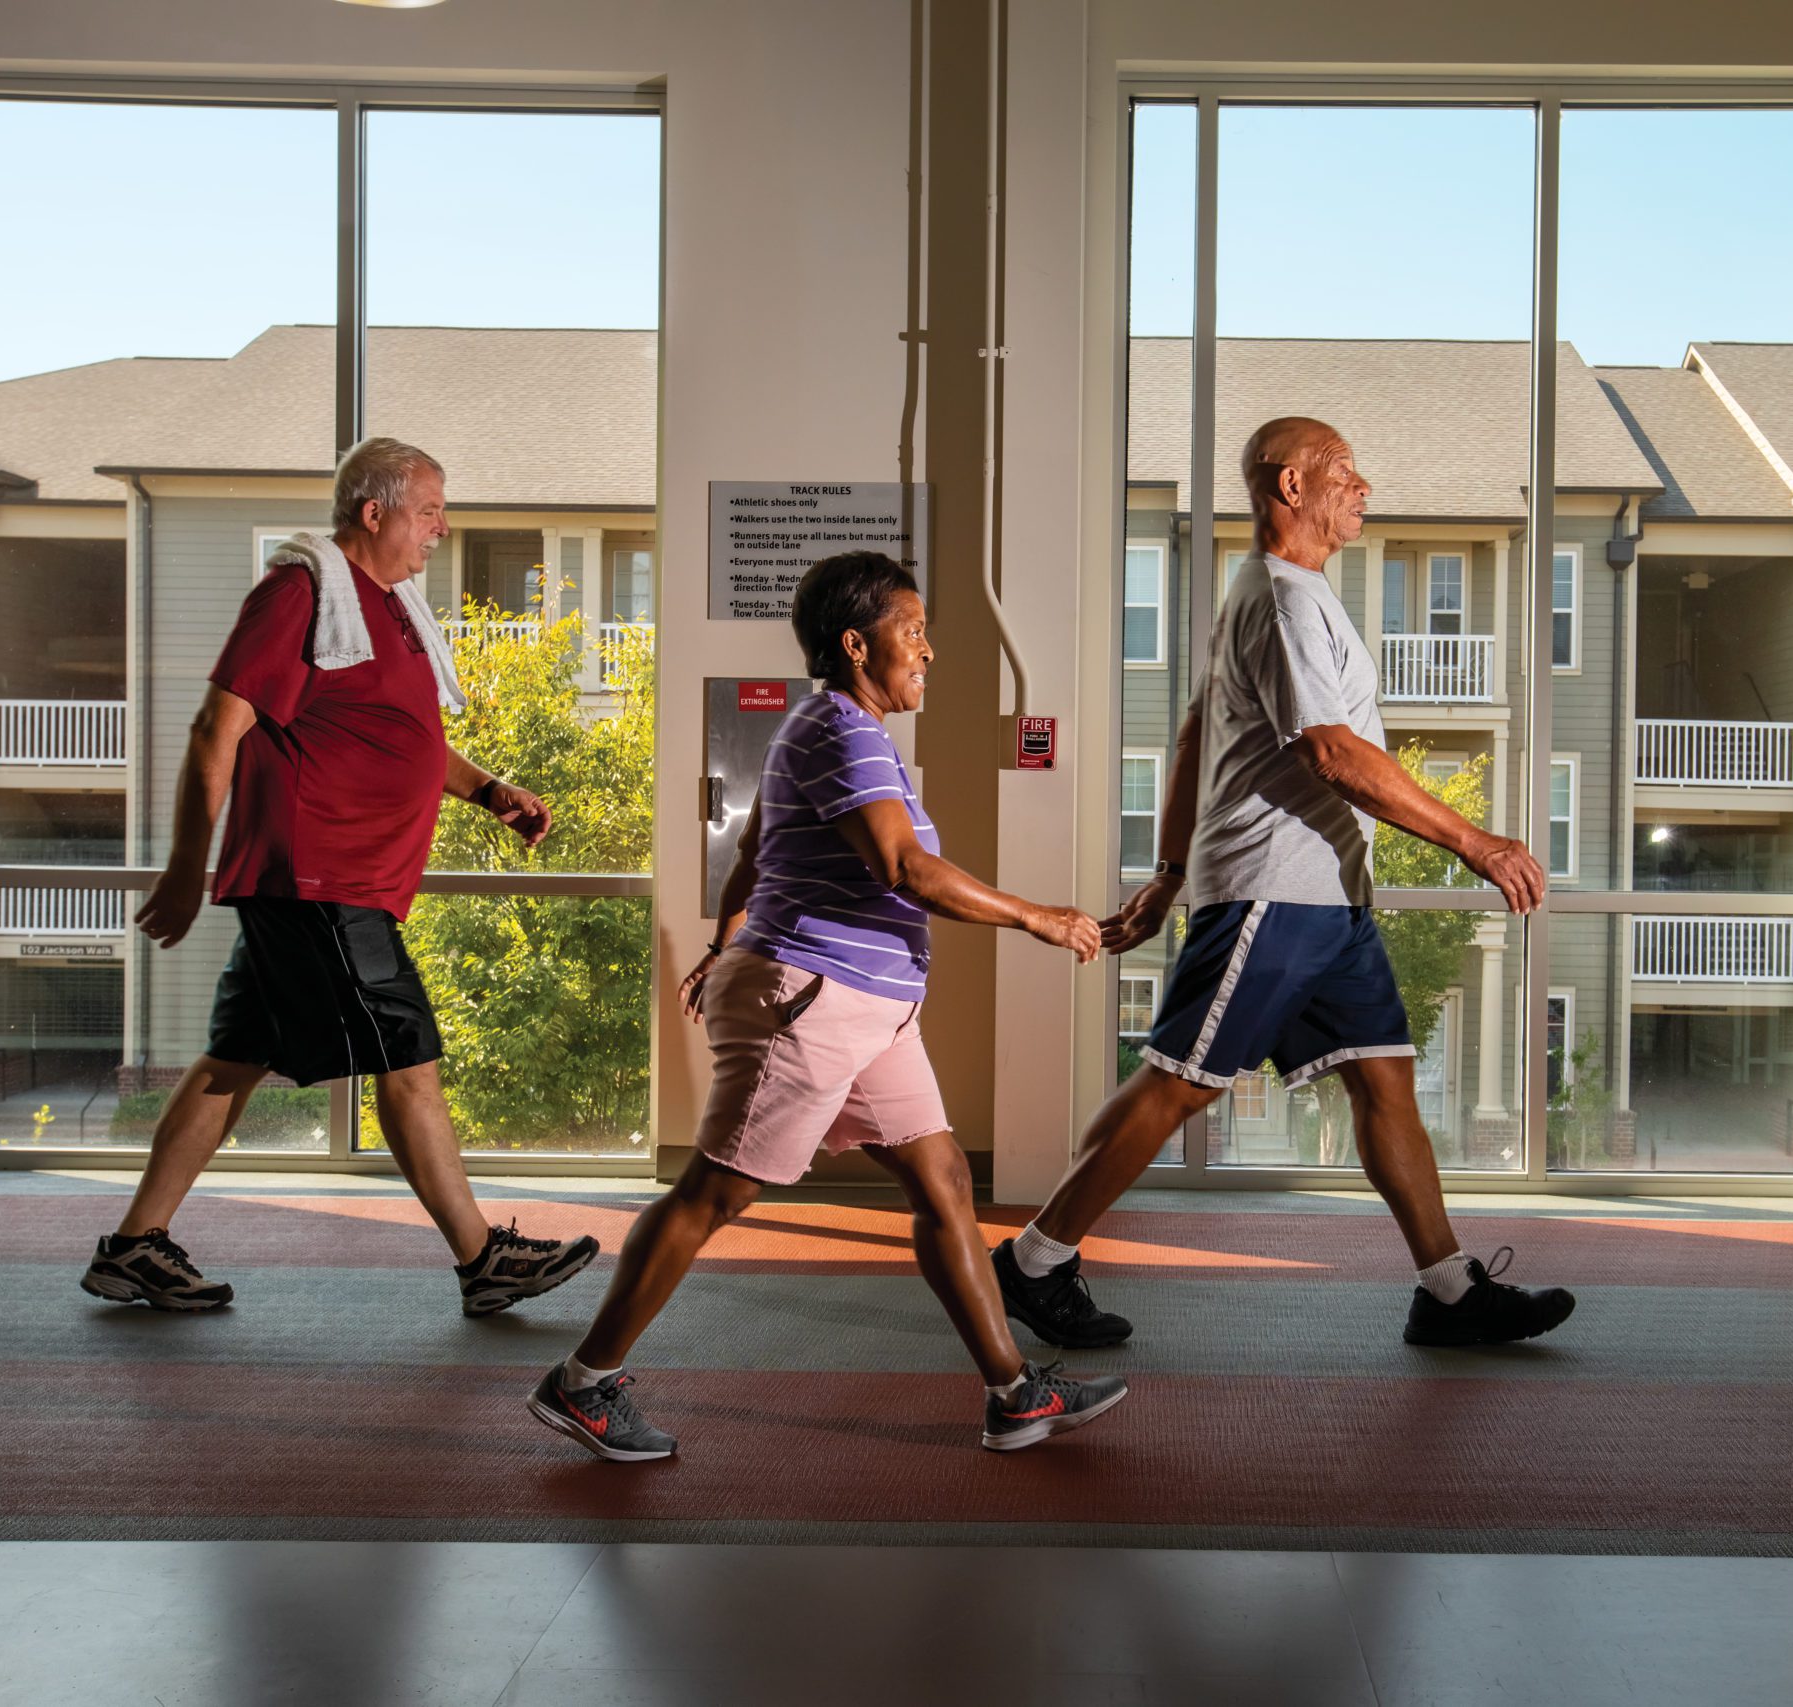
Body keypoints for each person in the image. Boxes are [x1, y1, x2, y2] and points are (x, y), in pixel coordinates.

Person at [992, 417, 1578, 1351]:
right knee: (1182, 1081)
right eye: (1343, 470)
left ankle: (1449, 1288)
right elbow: (1334, 753)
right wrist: (1473, 839)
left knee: (1386, 1081)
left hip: (1327, 899)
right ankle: (1033, 1261)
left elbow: (1193, 731)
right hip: (1275, 888)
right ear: (1289, 486)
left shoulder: (1282, 596)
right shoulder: (1282, 599)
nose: (1364, 484)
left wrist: (1173, 869)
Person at [528, 550, 1127, 1460]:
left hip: (867, 1008)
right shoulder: (840, 733)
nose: (929, 651)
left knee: (945, 1183)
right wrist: (1039, 916)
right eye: (913, 631)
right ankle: (584, 1382)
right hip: (809, 1000)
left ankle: (1012, 1394)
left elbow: (756, 849)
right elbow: (905, 868)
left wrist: (725, 941)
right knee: (714, 1190)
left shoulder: (832, 730)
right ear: (857, 643)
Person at [80, 437, 599, 1317]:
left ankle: (134, 1248)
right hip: (317, 877)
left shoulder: (381, 607)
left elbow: (394, 733)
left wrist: (487, 791)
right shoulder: (300, 593)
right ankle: (484, 1260)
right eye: (429, 509)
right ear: (375, 511)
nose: (442, 527)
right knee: (409, 1059)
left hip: (338, 880)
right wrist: (182, 870)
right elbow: (218, 728)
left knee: (230, 1064)